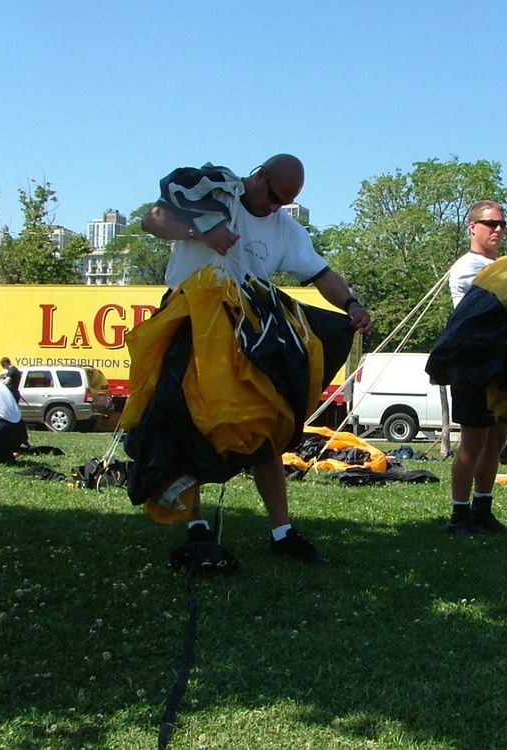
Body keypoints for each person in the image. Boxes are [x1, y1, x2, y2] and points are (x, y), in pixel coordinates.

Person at [140, 154, 373, 563]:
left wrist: (351, 305)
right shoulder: (215, 196)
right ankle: (196, 526)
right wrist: (202, 231)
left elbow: (321, 274)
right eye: (272, 196)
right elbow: (152, 220)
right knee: (184, 422)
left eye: (284, 202)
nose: (273, 207)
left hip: (244, 334)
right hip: (190, 324)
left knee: (266, 420)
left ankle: (282, 533)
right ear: (259, 175)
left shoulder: (286, 229)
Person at [444, 200, 507, 536]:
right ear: (472, 227)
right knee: (474, 441)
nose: (497, 229)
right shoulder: (470, 268)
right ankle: (459, 516)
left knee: (497, 438)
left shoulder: (505, 267)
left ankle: (483, 510)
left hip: (500, 362)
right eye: (490, 223)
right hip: (472, 362)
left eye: (501, 223)